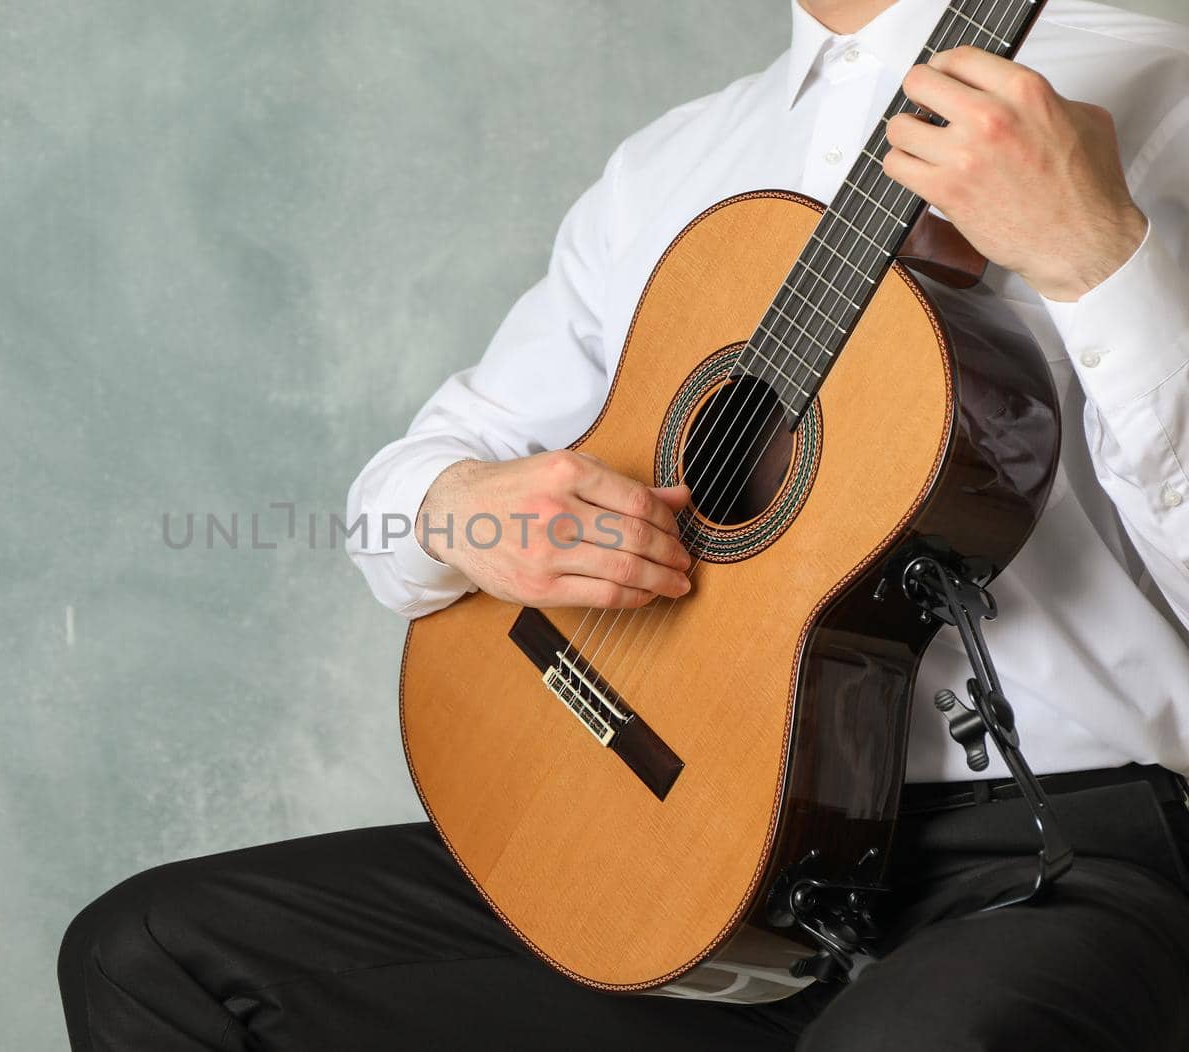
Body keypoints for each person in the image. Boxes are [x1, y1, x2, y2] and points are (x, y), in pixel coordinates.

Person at [59, 1, 1189, 1048]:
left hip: (1052, 860)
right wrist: (468, 513)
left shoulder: (1163, 94)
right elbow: (407, 492)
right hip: (683, 851)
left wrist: (1100, 257)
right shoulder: (673, 165)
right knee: (154, 954)